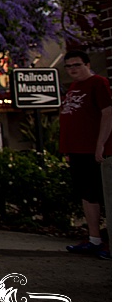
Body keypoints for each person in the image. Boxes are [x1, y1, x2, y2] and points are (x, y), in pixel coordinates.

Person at [59, 50, 112, 258]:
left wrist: (101, 144)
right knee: (87, 195)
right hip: (76, 151)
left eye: (77, 65)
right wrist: (66, 149)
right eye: (69, 66)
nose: (72, 69)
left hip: (95, 151)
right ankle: (94, 239)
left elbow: (108, 113)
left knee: (106, 196)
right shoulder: (72, 87)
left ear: (87, 64)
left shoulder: (98, 83)